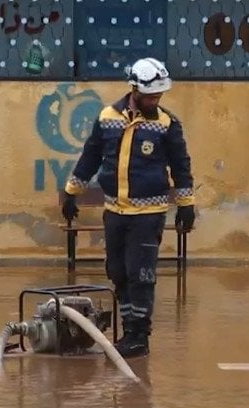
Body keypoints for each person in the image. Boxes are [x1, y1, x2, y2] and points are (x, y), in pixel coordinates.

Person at [60, 57, 195, 358]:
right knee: (117, 271)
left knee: (141, 274)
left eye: (159, 95)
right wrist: (72, 193)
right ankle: (129, 326)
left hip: (148, 215)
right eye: (150, 95)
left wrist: (186, 204)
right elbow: (91, 157)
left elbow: (181, 167)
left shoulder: (166, 124)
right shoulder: (108, 117)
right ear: (134, 88)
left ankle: (138, 336)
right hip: (115, 212)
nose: (155, 100)